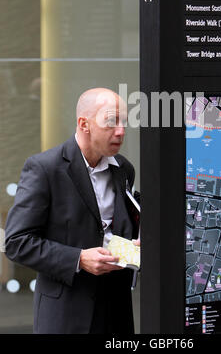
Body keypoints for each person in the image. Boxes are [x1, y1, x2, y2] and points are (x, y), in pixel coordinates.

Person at [5, 88, 140, 334]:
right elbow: (16, 242)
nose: (121, 131)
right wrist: (79, 259)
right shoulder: (44, 169)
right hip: (65, 314)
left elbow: (115, 227)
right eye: (111, 121)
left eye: (124, 123)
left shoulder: (124, 169)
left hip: (117, 310)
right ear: (84, 124)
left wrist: (138, 243)